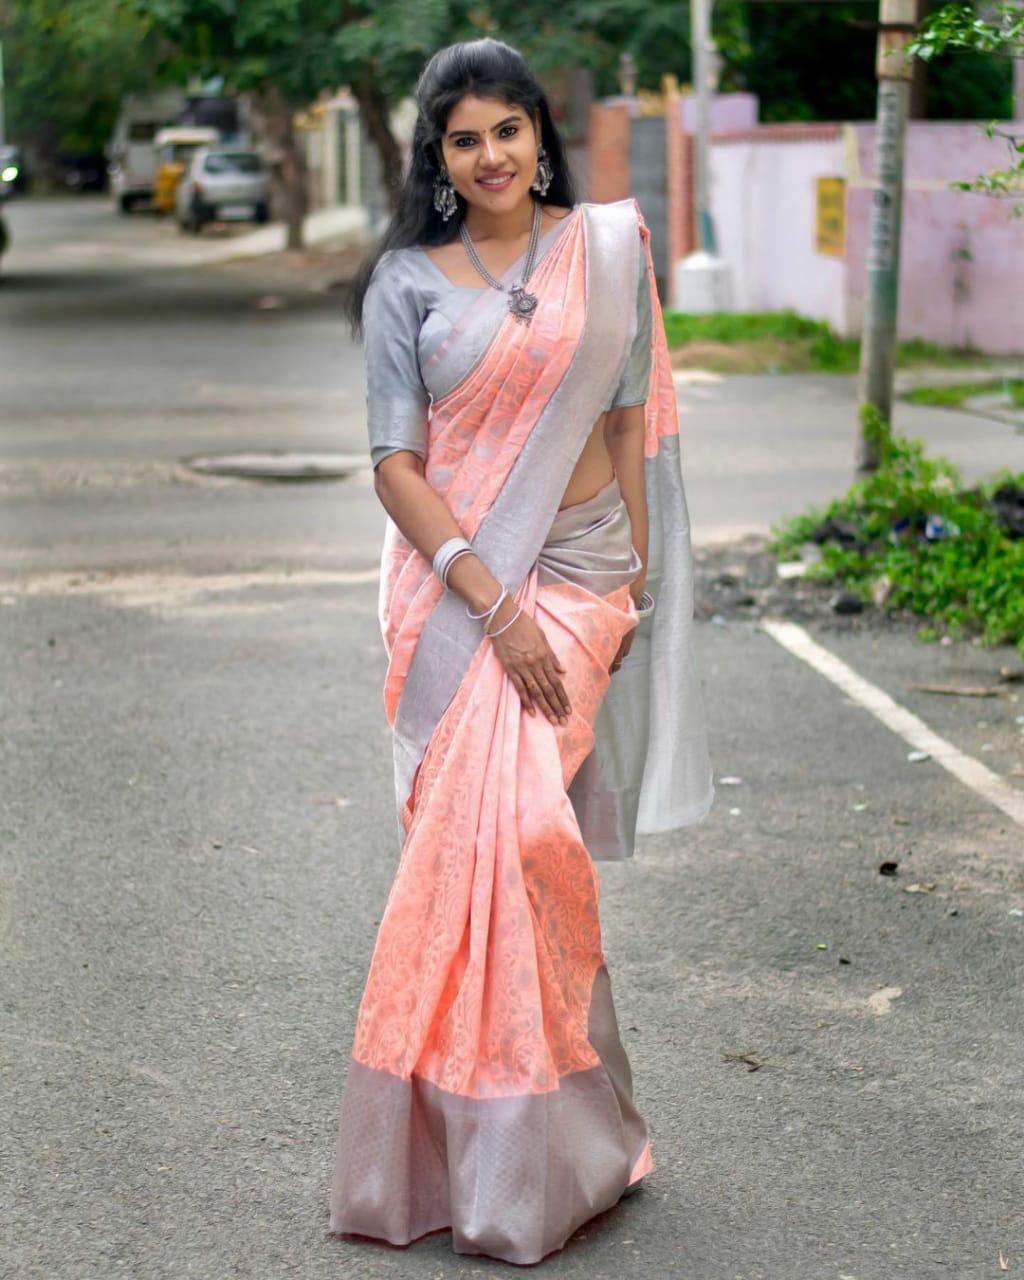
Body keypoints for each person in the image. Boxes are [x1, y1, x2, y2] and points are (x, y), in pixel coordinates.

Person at [328, 36, 713, 1267]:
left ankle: (560, 1147)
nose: (491, 156)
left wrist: (637, 580)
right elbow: (396, 465)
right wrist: (489, 601)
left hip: (588, 575)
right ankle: (481, 1153)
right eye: (463, 139)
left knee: (528, 849)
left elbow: (626, 414)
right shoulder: (405, 284)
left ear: (538, 133)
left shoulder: (607, 247)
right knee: (484, 853)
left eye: (508, 130)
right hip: (458, 595)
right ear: (435, 158)